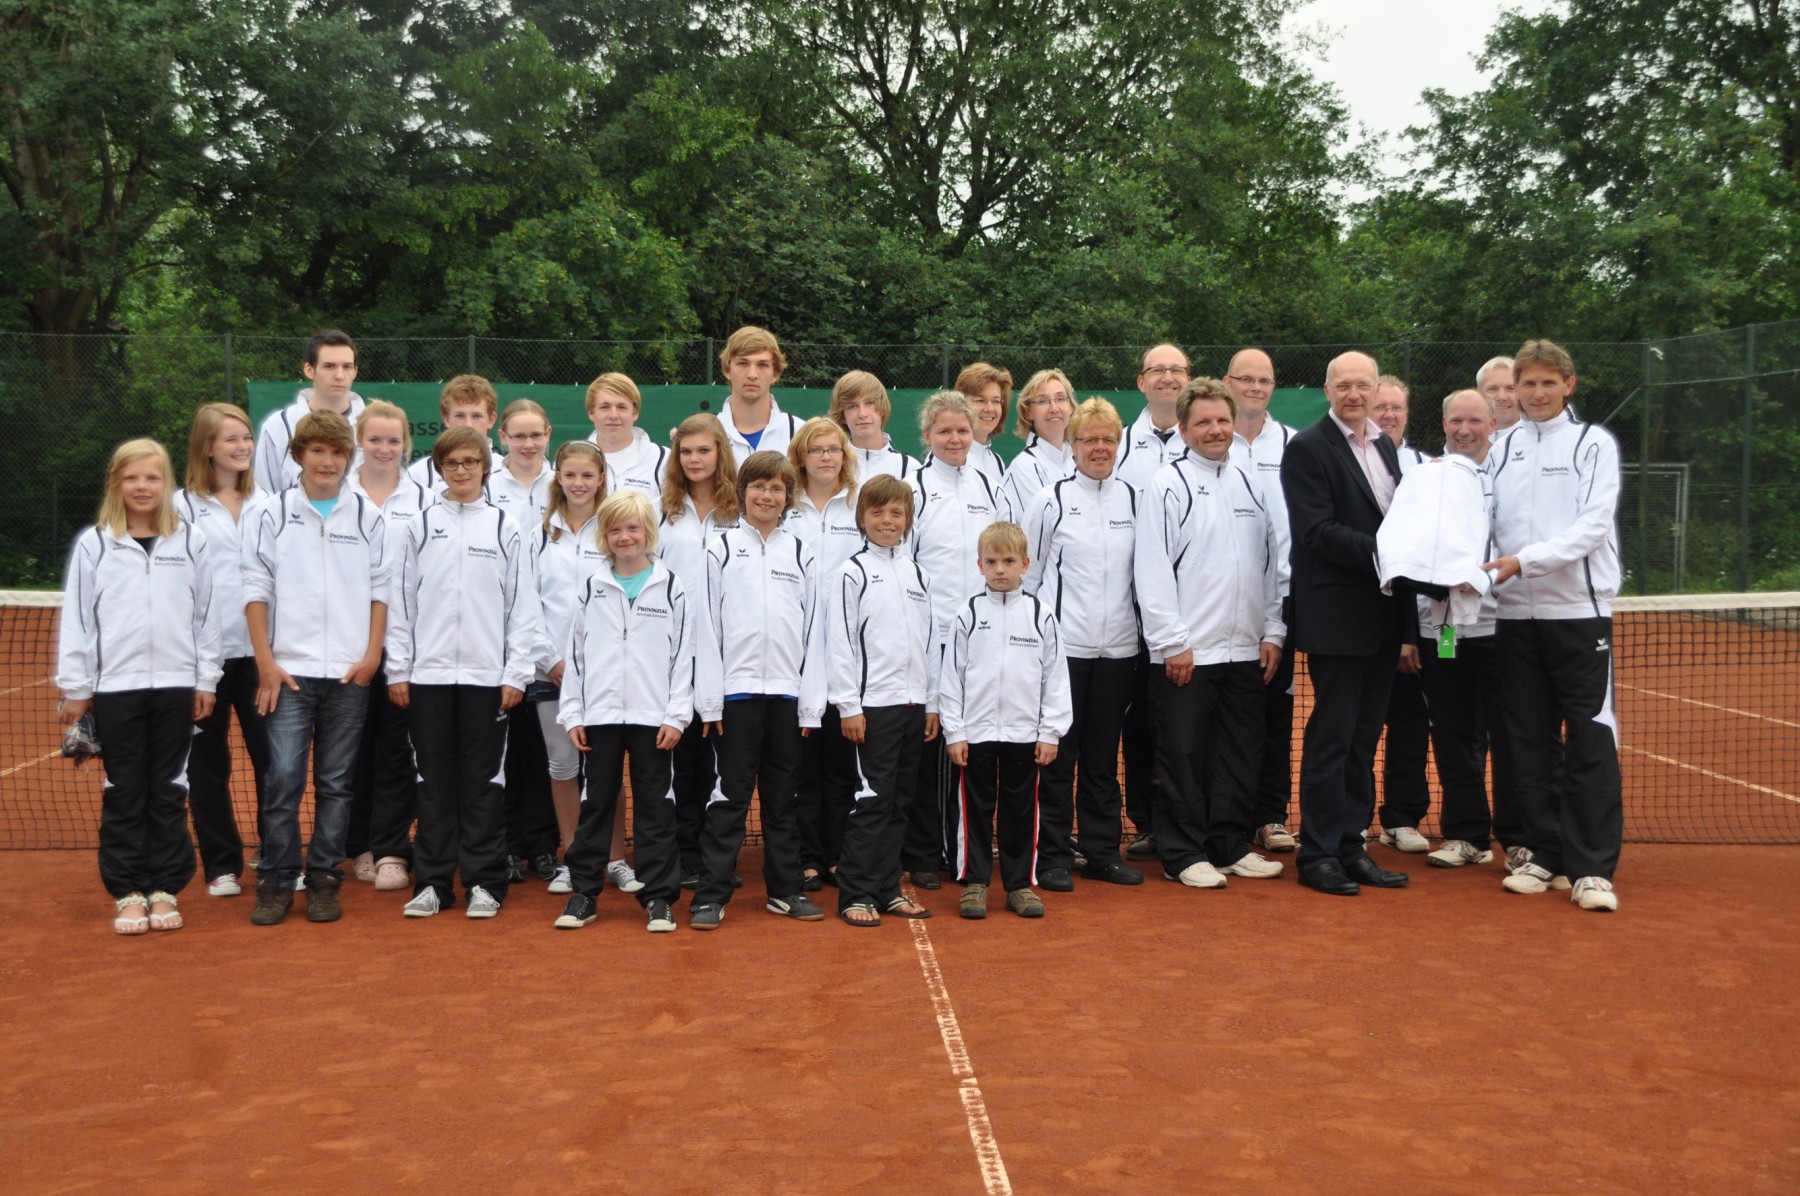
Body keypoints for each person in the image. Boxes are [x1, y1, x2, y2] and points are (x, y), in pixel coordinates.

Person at [58, 439, 222, 934]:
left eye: (152, 478)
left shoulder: (191, 541)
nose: (143, 487)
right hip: (117, 690)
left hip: (176, 687)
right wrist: (77, 685)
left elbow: (206, 617)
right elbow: (78, 620)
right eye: (132, 478)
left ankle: (165, 888)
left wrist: (206, 679)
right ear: (117, 484)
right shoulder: (95, 543)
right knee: (124, 790)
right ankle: (129, 891)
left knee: (169, 789)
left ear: (167, 483)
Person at [1484, 340, 1624, 912]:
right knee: (1527, 741)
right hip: (1515, 617)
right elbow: (1484, 523)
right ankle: (1545, 853)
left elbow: (1592, 526)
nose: (1536, 393)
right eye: (1527, 384)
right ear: (1513, 389)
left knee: (1589, 736)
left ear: (1569, 384)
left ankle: (1591, 868)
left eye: (1548, 383)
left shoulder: (1594, 444)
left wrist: (1525, 562)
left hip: (1578, 615)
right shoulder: (1502, 448)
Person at [1135, 379, 1286, 890]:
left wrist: (1273, 629)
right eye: (1203, 422)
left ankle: (1228, 844)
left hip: (1245, 649)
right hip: (1187, 654)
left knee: (1239, 753)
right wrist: (1172, 641)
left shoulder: (1250, 482)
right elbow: (1151, 570)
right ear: (1183, 428)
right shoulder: (1166, 484)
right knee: (1182, 755)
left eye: (1222, 420)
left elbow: (1269, 565)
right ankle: (1182, 852)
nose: (1215, 429)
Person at [241, 410, 389, 925]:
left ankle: (325, 880)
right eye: (318, 451)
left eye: (337, 452)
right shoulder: (269, 514)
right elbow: (254, 592)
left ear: (348, 459)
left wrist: (371, 656)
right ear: (299, 454)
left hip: (350, 676)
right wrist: (266, 663)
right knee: (282, 779)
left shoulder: (369, 516)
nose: (327, 461)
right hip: (289, 675)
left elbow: (381, 592)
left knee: (336, 783)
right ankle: (277, 880)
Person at [386, 426, 539, 919]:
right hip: (427, 679)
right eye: (452, 464)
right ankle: (433, 883)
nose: (462, 471)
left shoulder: (506, 526)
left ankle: (484, 884)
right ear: (439, 468)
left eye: (471, 462)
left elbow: (523, 607)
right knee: (432, 782)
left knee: (484, 783)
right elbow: (400, 603)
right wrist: (399, 670)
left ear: (484, 467)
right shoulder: (418, 526)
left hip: (486, 681)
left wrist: (516, 673)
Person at [1280, 351, 1413, 897]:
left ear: (1377, 389)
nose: (1354, 395)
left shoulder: (1384, 445)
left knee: (1364, 738)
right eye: (1344, 386)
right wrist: (1392, 552)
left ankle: (1351, 846)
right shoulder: (1307, 448)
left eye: (1363, 386)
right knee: (1332, 737)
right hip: (1337, 619)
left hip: (1383, 616)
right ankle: (1317, 854)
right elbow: (1317, 532)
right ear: (1328, 390)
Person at [691, 450, 829, 930]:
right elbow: (705, 627)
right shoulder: (720, 549)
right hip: (736, 699)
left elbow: (815, 633)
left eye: (776, 488)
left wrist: (811, 707)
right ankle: (711, 894)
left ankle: (785, 891)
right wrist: (710, 700)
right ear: (743, 491)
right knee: (728, 799)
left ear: (788, 496)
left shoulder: (802, 553)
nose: (767, 496)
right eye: (758, 487)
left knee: (782, 800)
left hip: (789, 701)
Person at [554, 491, 697, 933]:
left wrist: (676, 717)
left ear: (648, 533)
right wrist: (573, 714)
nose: (624, 537)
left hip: (654, 720)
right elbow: (575, 654)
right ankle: (584, 893)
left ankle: (658, 898)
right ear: (604, 535)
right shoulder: (591, 586)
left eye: (633, 528)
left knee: (655, 806)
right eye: (615, 529)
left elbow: (684, 657)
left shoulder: (672, 585)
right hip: (598, 718)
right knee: (596, 803)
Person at [1020, 397, 1143, 889]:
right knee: (1056, 756)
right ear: (1071, 447)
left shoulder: (1136, 498)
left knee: (1101, 758)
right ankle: (1050, 855)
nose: (1099, 448)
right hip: (1063, 654)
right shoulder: (1049, 501)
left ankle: (1101, 852)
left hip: (1119, 653)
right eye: (1089, 439)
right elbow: (1029, 578)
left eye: (1108, 439)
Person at [1387, 389, 1509, 872]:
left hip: (1502, 630)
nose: (1464, 430)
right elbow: (1409, 547)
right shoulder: (1426, 478)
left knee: (1512, 736)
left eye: (1474, 421)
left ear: (1492, 424)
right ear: (1442, 424)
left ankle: (1521, 838)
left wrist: (1478, 580)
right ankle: (1468, 835)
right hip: (1444, 634)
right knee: (1453, 735)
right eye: (1455, 420)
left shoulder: (1508, 480)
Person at [939, 521, 1072, 920]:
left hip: (1024, 735)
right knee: (975, 809)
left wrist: (1050, 732)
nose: (1000, 569)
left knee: (1020, 810)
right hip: (975, 735)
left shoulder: (1041, 615)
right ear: (979, 565)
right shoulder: (967, 614)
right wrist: (955, 731)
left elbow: (1056, 678)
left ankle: (1018, 885)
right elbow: (951, 678)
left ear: (1025, 564)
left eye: (1008, 561)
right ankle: (975, 882)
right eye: (992, 561)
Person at [906, 391, 1009, 889]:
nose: (954, 439)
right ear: (926, 436)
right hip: (929, 640)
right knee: (932, 748)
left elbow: (1006, 550)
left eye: (962, 431)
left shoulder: (991, 480)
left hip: (982, 639)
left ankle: (964, 848)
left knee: (970, 748)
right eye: (944, 431)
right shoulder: (914, 486)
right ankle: (926, 851)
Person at [829, 475, 936, 926]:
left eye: (896, 513)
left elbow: (930, 643)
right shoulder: (851, 572)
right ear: (862, 518)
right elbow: (840, 642)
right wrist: (849, 705)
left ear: (908, 520)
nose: (887, 521)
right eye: (877, 513)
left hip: (914, 709)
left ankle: (888, 889)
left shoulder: (919, 574)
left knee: (899, 802)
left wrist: (931, 704)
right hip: (873, 709)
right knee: (871, 801)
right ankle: (855, 893)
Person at [176, 403, 271, 898]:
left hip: (262, 659)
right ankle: (221, 865)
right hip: (203, 663)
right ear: (207, 446)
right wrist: (197, 667)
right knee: (206, 767)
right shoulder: (180, 507)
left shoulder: (271, 501)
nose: (241, 447)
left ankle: (275, 854)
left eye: (246, 437)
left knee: (273, 761)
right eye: (230, 438)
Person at [343, 401, 436, 894]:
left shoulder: (425, 497)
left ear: (406, 444)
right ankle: (356, 844)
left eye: (393, 441)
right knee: (351, 751)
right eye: (375, 439)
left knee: (399, 751)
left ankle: (392, 851)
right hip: (343, 647)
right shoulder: (336, 493)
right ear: (360, 440)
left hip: (406, 648)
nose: (384, 449)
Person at [533, 440, 632, 896]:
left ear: (601, 480)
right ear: (558, 477)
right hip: (550, 672)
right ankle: (575, 859)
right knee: (562, 764)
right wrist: (549, 659)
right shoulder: (538, 531)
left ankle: (614, 858)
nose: (578, 483)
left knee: (607, 768)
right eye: (570, 475)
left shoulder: (613, 531)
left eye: (587, 476)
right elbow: (524, 603)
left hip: (607, 673)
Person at [1115, 343, 1193, 861]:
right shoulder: (1116, 445)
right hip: (1132, 617)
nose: (1167, 377)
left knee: (1193, 726)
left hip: (1202, 618)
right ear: (1141, 382)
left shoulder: (1210, 442)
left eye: (1177, 370)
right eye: (1157, 370)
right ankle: (1146, 820)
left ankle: (1193, 817)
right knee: (1140, 723)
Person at [1224, 347, 1302, 857]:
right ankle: (1224, 816)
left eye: (1264, 380)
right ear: (1227, 383)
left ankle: (1271, 815)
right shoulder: (1206, 437)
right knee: (1227, 720)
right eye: (1245, 379)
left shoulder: (1295, 443)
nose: (1255, 387)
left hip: (1284, 603)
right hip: (1220, 606)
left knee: (1277, 712)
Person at [657, 413, 740, 886]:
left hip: (732, 657)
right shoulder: (662, 511)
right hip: (678, 657)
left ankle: (719, 858)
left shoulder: (741, 510)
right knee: (686, 764)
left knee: (728, 764)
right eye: (686, 452)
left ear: (719, 453)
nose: (694, 460)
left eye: (703, 450)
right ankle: (688, 853)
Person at [786, 418, 862, 891]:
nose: (826, 457)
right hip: (792, 657)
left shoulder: (859, 505)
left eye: (834, 449)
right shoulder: (783, 507)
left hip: (847, 656)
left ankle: (837, 854)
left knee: (840, 767)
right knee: (799, 768)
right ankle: (807, 857)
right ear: (802, 457)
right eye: (817, 450)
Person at [490, 398, 562, 885]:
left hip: (552, 651)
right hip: (496, 645)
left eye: (536, 434)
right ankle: (506, 847)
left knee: (545, 755)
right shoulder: (486, 486)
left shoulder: (565, 484)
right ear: (503, 438)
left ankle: (542, 846)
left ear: (548, 434)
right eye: (519, 435)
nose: (528, 444)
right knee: (504, 753)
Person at [1370, 374, 1436, 855]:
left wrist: (1411, 633)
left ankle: (1401, 817)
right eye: (1380, 407)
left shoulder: (1426, 468)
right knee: (1360, 724)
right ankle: (1353, 819)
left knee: (1413, 721)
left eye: (1396, 408)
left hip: (1422, 621)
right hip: (1365, 618)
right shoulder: (1353, 460)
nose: (1388, 414)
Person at [254, 329, 363, 493]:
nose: (340, 375)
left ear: (355, 371)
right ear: (309, 370)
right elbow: (265, 493)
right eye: (329, 366)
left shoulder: (372, 426)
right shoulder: (279, 426)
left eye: (347, 367)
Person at [717, 327, 803, 463]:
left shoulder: (801, 433)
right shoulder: (705, 435)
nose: (752, 375)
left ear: (775, 374)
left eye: (762, 365)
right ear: (727, 370)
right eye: (743, 363)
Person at [1000, 368, 1076, 515]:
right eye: (1043, 401)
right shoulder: (1024, 468)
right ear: (1028, 412)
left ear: (1071, 406)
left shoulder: (1079, 459)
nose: (1054, 408)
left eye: (1060, 399)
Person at [587, 372, 670, 498]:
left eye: (622, 407)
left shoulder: (663, 459)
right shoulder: (570, 460)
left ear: (635, 412)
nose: (613, 415)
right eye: (605, 407)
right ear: (591, 412)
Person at [409, 375, 498, 492]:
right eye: (460, 416)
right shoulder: (420, 474)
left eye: (476, 416)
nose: (468, 424)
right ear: (446, 419)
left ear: (491, 420)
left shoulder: (508, 471)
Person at [829, 370, 921, 482]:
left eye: (869, 403)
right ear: (843, 416)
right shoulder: (830, 465)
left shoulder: (908, 468)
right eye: (852, 406)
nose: (862, 414)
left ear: (882, 408)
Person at [952, 362, 1014, 485]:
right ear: (960, 403)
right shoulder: (950, 457)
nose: (989, 409)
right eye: (980, 400)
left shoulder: (996, 461)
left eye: (996, 401)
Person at [1478, 356, 1520, 434]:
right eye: (1492, 389)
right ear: (1478, 394)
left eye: (1510, 388)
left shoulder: (1538, 438)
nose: (1502, 397)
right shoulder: (1465, 438)